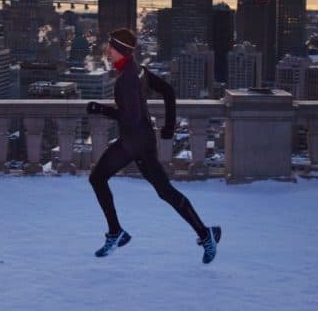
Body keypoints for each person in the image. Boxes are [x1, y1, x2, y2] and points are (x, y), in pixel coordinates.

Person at [86, 28, 221, 264]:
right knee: (165, 191)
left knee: (97, 178)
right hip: (145, 140)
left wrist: (100, 109)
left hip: (133, 142)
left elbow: (129, 118)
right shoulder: (138, 70)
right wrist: (168, 127)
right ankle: (204, 233)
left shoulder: (126, 80)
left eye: (111, 47)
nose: (107, 51)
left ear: (121, 51)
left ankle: (116, 232)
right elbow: (168, 91)